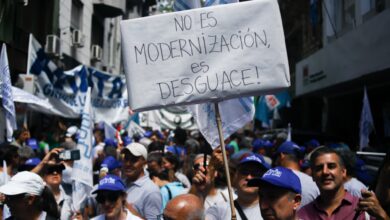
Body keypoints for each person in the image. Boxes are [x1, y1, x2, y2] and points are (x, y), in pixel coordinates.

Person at [298, 147, 369, 219]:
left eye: (331, 166)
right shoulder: (303, 214)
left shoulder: (363, 209)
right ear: (313, 175)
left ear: (343, 172)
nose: (325, 172)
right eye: (319, 168)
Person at [203, 153, 269, 220]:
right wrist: (199, 191)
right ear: (235, 176)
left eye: (256, 173)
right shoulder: (218, 210)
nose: (249, 177)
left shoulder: (271, 211)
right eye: (244, 172)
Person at [120, 142, 162, 219]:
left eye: (133, 160)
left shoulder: (151, 191)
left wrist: (127, 208)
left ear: (144, 162)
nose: (128, 164)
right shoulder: (120, 184)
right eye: (126, 159)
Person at [274, 141, 319, 207]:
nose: (275, 162)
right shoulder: (314, 183)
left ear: (282, 156)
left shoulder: (274, 178)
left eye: (276, 157)